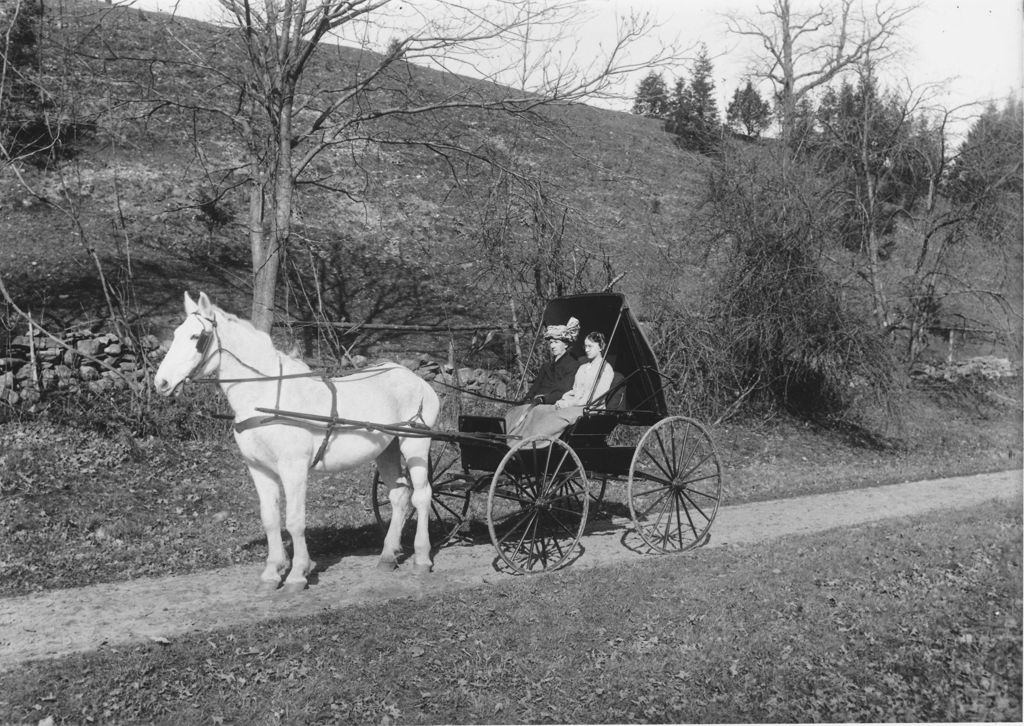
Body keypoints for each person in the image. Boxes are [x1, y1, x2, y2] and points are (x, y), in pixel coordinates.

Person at [505, 331, 615, 441]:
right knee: (540, 411)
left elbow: (596, 398)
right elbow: (574, 390)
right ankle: (519, 438)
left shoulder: (605, 369)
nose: (586, 350)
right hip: (574, 405)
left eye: (590, 346)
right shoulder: (583, 368)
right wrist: (563, 401)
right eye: (585, 346)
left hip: (590, 409)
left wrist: (569, 404)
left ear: (601, 347)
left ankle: (538, 442)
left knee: (555, 416)